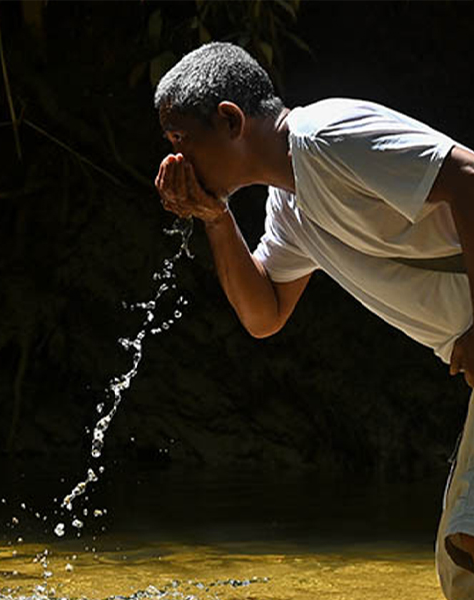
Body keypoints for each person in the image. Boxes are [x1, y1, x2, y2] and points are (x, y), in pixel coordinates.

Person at [152, 41, 474, 599]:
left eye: (183, 140)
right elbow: (264, 314)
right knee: (462, 563)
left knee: (468, 543)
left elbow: (469, 175)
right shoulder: (292, 208)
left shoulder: (326, 137)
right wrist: (215, 217)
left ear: (230, 120)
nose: (177, 161)